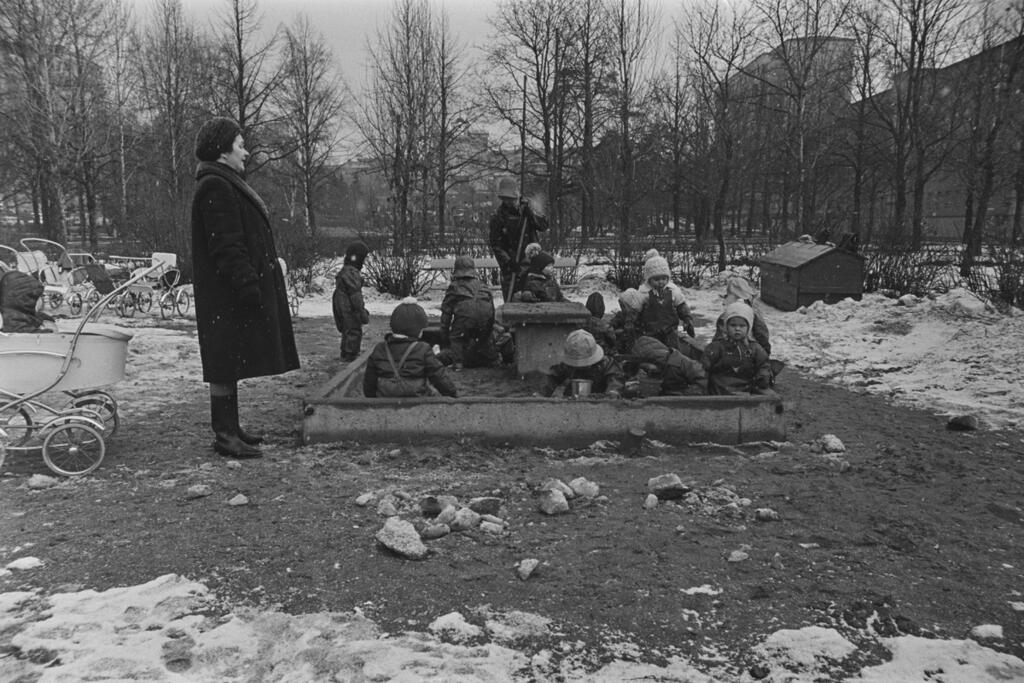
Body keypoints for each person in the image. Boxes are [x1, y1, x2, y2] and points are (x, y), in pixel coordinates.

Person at [191, 116, 299, 459]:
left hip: (227, 292)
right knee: (224, 360)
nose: (246, 152)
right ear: (223, 152)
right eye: (240, 145)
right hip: (226, 293)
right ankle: (225, 435)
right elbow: (227, 245)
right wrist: (247, 284)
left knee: (229, 360)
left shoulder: (222, 181)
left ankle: (230, 428)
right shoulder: (216, 185)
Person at [364, 299, 457, 398]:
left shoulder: (380, 348)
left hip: (385, 398)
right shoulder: (423, 349)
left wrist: (373, 401)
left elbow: (369, 382)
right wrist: (452, 394)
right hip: (416, 399)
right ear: (416, 330)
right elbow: (438, 377)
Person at [488, 177, 548, 300]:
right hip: (511, 269)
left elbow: (544, 225)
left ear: (517, 196)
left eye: (511, 199)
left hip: (532, 266)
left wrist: (532, 215)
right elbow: (495, 244)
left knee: (532, 300)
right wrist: (508, 262)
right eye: (505, 200)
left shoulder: (528, 209)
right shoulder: (498, 217)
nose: (509, 203)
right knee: (512, 302)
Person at [701, 301, 774, 397]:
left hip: (745, 388)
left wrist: (762, 377)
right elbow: (704, 366)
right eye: (733, 325)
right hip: (719, 389)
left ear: (749, 327)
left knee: (770, 397)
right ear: (726, 326)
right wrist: (702, 384)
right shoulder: (717, 347)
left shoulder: (754, 348)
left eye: (742, 326)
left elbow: (763, 364)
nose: (737, 329)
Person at [440, 256, 497, 370]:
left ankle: (458, 363)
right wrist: (489, 325)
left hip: (465, 318)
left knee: (456, 337)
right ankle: (490, 359)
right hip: (485, 317)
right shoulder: (483, 285)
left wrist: (444, 334)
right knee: (483, 337)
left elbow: (446, 311)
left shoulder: (454, 287)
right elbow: (492, 307)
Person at [635, 251, 695, 351]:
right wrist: (634, 323)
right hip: (650, 330)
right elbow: (636, 309)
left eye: (664, 278)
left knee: (673, 350)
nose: (661, 282)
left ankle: (674, 363)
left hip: (670, 330)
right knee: (654, 350)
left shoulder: (673, 290)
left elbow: (681, 305)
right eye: (656, 279)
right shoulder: (644, 292)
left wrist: (687, 318)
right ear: (649, 279)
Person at [540, 330, 624, 398]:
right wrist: (540, 392)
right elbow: (551, 377)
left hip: (600, 403)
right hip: (572, 401)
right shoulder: (567, 366)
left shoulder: (606, 364)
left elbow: (615, 381)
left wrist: (612, 393)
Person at [712, 276, 771, 355]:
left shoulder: (753, 316)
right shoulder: (725, 316)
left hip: (748, 354)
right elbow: (763, 337)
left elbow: (762, 336)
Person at [333, 241, 370, 362]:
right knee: (353, 328)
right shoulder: (352, 273)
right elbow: (356, 295)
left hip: (341, 301)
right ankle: (350, 354)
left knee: (347, 328)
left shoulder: (345, 270)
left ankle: (345, 352)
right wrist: (361, 310)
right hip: (348, 304)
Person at [631, 335, 705, 396]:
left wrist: (684, 394)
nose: (645, 371)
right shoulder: (658, 366)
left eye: (645, 368)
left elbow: (703, 379)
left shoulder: (680, 363)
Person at [610, 287, 644, 355]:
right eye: (621, 305)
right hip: (622, 344)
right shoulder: (622, 315)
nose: (621, 308)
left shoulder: (641, 318)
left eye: (623, 306)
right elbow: (612, 324)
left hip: (635, 347)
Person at [583, 292, 617, 357]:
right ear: (602, 308)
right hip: (601, 354)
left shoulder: (581, 322)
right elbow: (613, 341)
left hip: (584, 352)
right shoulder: (605, 326)